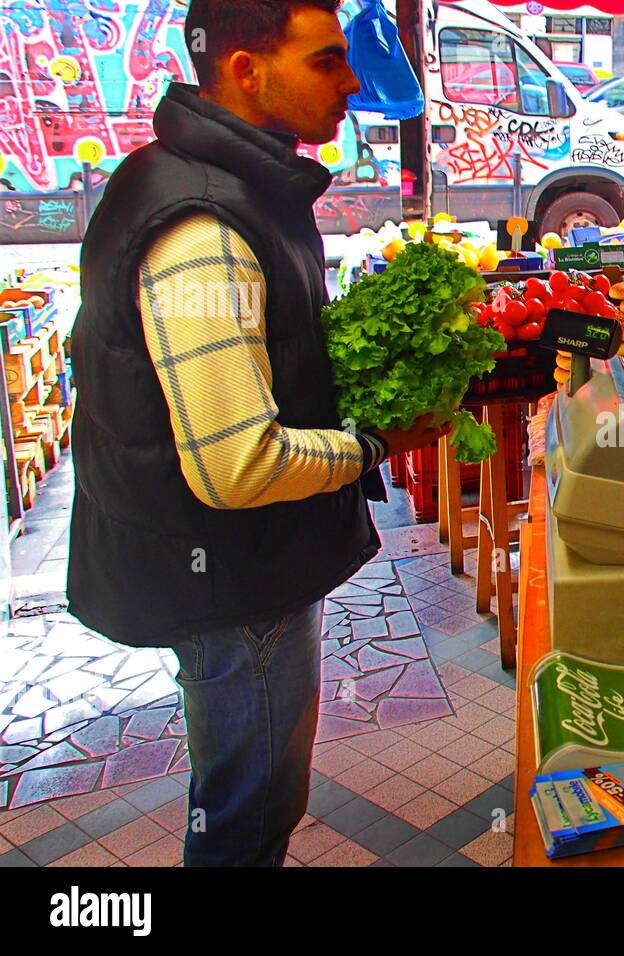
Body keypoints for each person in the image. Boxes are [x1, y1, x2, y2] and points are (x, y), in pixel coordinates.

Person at [68, 0, 446, 866]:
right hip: (232, 575)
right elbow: (239, 465)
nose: (353, 81)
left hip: (223, 564)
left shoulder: (217, 180)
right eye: (325, 60)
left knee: (246, 793)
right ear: (245, 68)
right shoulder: (204, 223)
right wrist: (377, 444)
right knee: (248, 811)